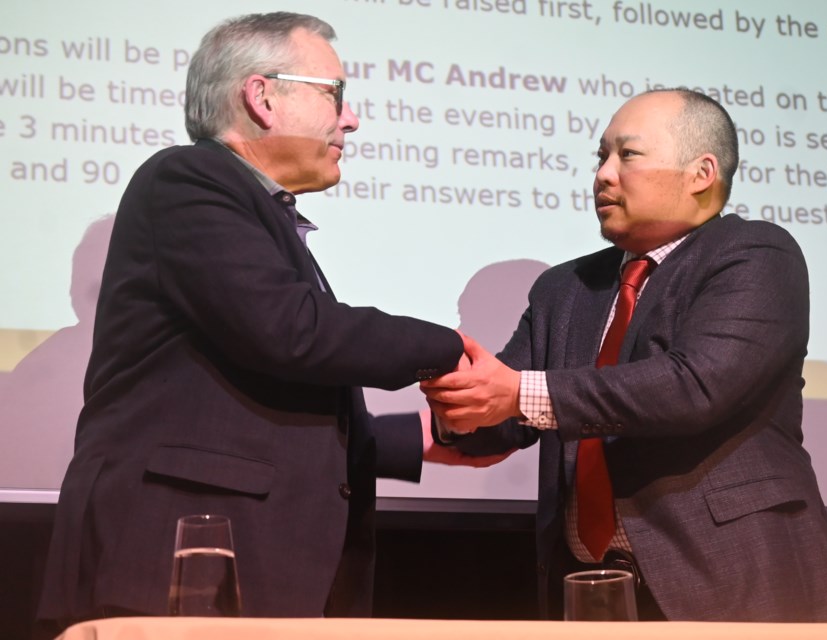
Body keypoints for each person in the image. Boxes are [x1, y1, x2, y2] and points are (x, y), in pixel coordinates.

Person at [36, 11, 499, 631]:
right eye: (336, 94)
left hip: (249, 572)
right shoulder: (187, 178)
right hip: (175, 565)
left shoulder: (254, 210)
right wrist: (452, 350)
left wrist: (412, 439)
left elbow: (236, 407)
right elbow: (292, 330)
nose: (352, 119)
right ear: (261, 97)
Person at [421, 89, 827, 622]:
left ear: (701, 172)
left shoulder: (755, 254)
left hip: (736, 585)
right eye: (600, 157)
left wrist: (517, 393)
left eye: (627, 156)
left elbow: (694, 387)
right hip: (589, 593)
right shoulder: (563, 288)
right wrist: (458, 401)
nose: (603, 175)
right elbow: (504, 421)